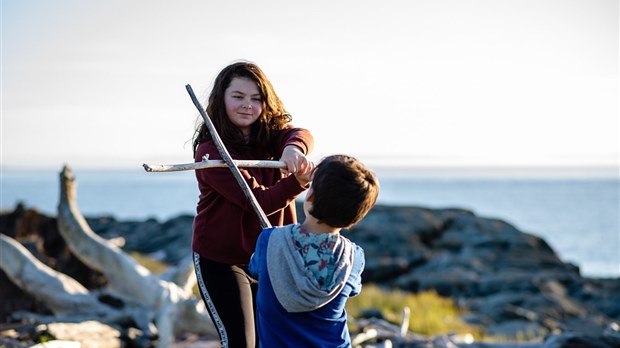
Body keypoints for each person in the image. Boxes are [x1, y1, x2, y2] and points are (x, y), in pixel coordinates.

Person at [191, 61, 315, 348]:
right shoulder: (210, 151)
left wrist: (293, 149)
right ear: (221, 99)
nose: (247, 105)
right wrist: (297, 182)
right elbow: (258, 201)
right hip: (222, 259)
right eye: (238, 96)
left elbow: (301, 134)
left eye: (256, 98)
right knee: (241, 343)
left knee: (272, 341)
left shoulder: (272, 136)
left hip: (273, 258)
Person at [248, 154, 380, 347]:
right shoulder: (353, 258)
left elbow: (254, 269)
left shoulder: (269, 241)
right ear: (355, 218)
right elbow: (353, 289)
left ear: (310, 196)